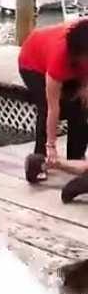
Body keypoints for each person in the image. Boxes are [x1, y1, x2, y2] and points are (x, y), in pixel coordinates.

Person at [19, 20, 88, 188]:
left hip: (72, 58)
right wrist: (51, 145)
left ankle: (75, 157)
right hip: (33, 62)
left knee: (81, 106)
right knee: (47, 107)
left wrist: (85, 86)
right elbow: (53, 108)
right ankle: (40, 160)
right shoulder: (60, 58)